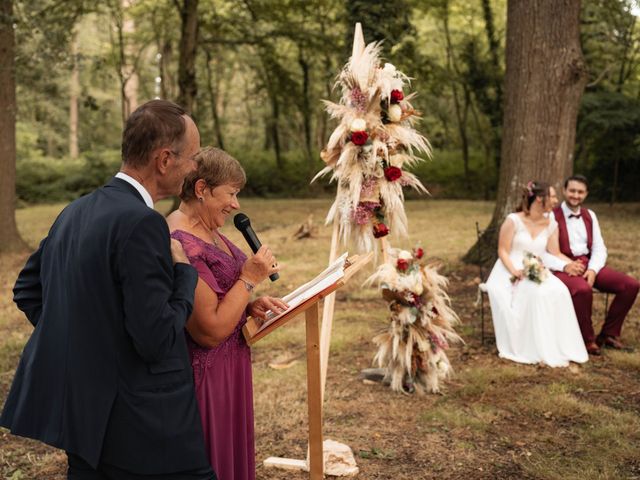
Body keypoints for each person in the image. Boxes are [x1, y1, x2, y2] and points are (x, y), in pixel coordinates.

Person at [1, 100, 217, 480]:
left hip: (84, 420)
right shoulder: (144, 224)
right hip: (145, 428)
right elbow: (155, 338)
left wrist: (91, 344)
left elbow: (28, 291)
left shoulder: (75, 211)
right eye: (193, 156)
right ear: (164, 159)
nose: (196, 166)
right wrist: (184, 273)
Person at [167, 147, 286, 480]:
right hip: (206, 376)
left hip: (232, 366)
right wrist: (248, 279)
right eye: (231, 193)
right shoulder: (180, 242)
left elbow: (219, 298)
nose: (236, 204)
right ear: (202, 189)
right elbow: (209, 330)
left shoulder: (211, 230)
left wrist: (249, 306)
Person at [484, 181, 588, 367]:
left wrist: (571, 264)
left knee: (559, 290)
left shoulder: (551, 223)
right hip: (509, 268)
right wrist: (514, 271)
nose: (556, 200)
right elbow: (503, 251)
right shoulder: (513, 220)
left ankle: (557, 345)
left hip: (536, 268)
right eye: (553, 196)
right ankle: (532, 346)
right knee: (536, 293)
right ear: (540, 198)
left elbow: (554, 253)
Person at [546, 175, 639, 355]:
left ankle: (608, 334)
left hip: (588, 264)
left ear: (586, 194)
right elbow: (545, 251)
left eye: (580, 192)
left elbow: (599, 247)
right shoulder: (551, 215)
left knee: (631, 285)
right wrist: (565, 265)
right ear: (564, 191)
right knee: (582, 290)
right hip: (563, 266)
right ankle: (586, 340)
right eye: (572, 191)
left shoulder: (590, 216)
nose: (575, 195)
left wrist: (593, 270)